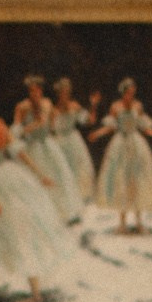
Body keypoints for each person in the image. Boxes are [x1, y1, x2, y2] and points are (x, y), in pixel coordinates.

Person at [0, 83, 69, 302]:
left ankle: (35, 295)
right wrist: (39, 174)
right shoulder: (0, 124)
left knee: (11, 229)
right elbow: (18, 153)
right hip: (11, 174)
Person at [92, 77, 152, 232]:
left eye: (133, 93)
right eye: (128, 93)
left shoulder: (137, 106)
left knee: (137, 181)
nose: (131, 96)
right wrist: (98, 133)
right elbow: (111, 127)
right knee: (121, 180)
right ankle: (122, 223)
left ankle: (139, 222)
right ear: (123, 93)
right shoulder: (116, 107)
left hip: (136, 145)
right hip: (121, 145)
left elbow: (145, 128)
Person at [11, 73, 83, 224]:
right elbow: (16, 132)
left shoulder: (47, 103)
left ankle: (61, 213)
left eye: (37, 90)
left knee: (59, 175)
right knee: (35, 179)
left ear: (41, 90)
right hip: (32, 145)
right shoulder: (22, 107)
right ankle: (37, 216)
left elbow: (51, 123)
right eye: (31, 90)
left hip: (48, 144)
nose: (35, 93)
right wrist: (32, 126)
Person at [48, 76, 96, 208]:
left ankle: (80, 200)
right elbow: (50, 129)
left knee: (79, 169)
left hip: (74, 141)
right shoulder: (53, 110)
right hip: (59, 142)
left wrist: (93, 105)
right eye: (63, 92)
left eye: (67, 92)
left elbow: (89, 121)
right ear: (58, 94)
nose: (65, 95)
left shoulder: (74, 106)